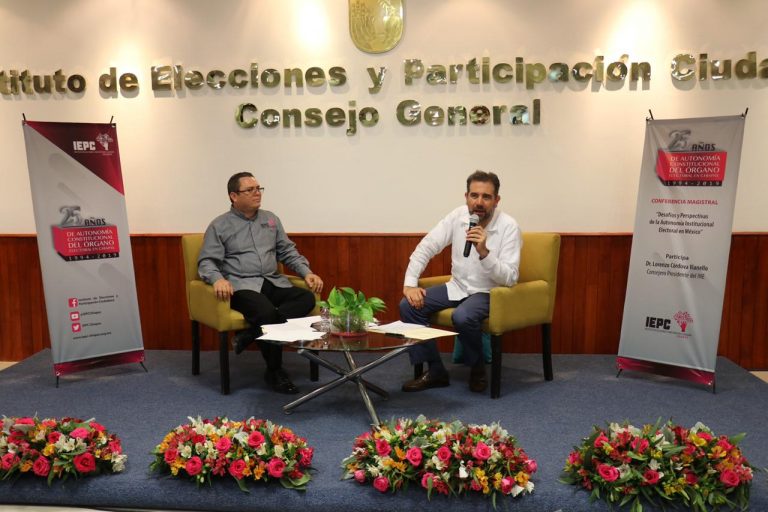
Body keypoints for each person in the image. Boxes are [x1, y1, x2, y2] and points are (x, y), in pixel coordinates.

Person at [198, 172, 323, 394]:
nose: (257, 193)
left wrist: (307, 272)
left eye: (259, 188)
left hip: (272, 281)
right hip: (240, 285)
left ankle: (252, 333)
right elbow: (207, 261)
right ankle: (275, 370)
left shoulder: (270, 219)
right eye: (250, 190)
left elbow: (287, 251)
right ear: (234, 196)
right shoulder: (219, 225)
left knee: (305, 298)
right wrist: (217, 279)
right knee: (266, 312)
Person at [400, 170, 521, 393]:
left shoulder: (508, 226)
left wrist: (485, 253)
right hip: (458, 287)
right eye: (474, 196)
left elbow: (511, 278)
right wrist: (410, 283)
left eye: (486, 197)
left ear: (496, 200)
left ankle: (477, 369)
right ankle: (436, 370)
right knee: (408, 306)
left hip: (490, 292)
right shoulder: (458, 217)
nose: (479, 202)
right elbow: (427, 247)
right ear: (466, 196)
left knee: (463, 316)